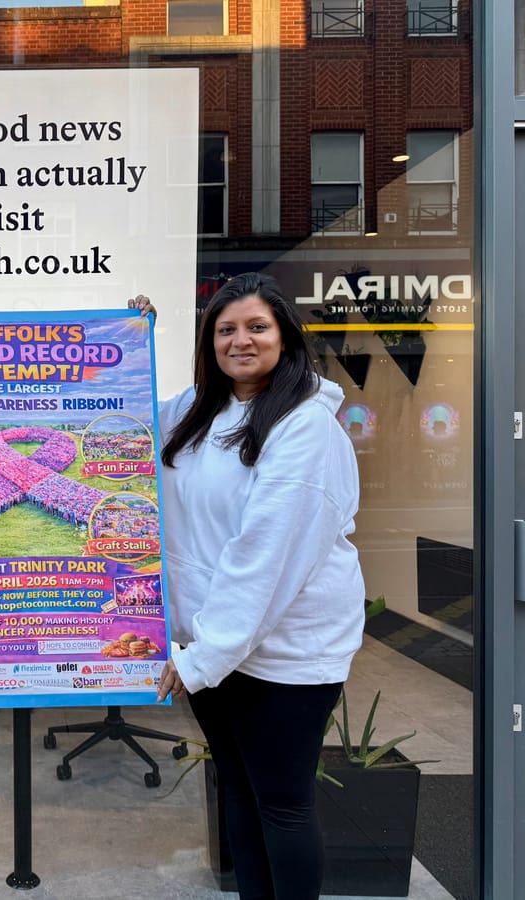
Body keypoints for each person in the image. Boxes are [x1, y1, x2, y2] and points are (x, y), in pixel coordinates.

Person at [134, 272, 365, 900]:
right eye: (225, 329)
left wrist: (203, 657)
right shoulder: (192, 411)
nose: (240, 340)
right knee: (237, 788)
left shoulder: (305, 428)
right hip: (214, 645)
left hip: (284, 654)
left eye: (256, 327)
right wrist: (125, 341)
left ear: (285, 337)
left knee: (283, 804)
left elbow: (264, 556)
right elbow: (112, 429)